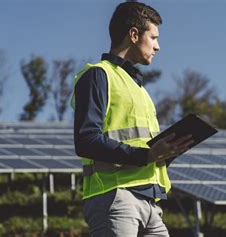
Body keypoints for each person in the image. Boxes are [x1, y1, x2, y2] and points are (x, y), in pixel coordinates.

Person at [71, 1, 193, 236]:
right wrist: (146, 155)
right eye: (154, 37)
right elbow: (86, 140)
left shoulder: (140, 90)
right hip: (115, 197)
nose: (158, 46)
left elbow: (144, 149)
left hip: (151, 203)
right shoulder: (98, 75)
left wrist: (167, 152)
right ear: (134, 34)